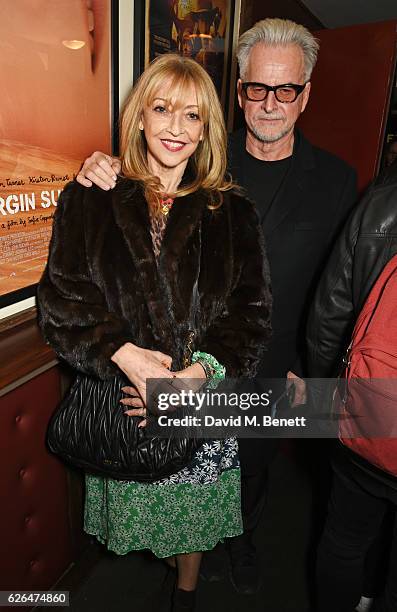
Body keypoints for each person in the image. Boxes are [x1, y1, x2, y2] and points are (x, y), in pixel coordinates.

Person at [75, 18, 357, 594]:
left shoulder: (336, 179)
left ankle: (245, 544)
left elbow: (340, 282)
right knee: (180, 470)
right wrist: (93, 172)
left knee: (249, 470)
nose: (271, 104)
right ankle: (191, 567)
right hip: (184, 356)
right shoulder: (200, 156)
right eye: (258, 87)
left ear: (307, 94)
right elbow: (139, 186)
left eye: (287, 90)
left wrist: (318, 364)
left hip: (275, 362)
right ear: (239, 90)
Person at [37, 53, 271, 612]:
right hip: (123, 403)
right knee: (145, 520)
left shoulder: (232, 210)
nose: (174, 127)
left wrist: (197, 375)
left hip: (198, 402)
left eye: (192, 116)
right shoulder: (90, 196)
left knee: (191, 526)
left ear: (207, 129)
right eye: (162, 109)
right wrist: (129, 360)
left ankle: (184, 596)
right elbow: (62, 302)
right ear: (140, 116)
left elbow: (251, 312)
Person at [306, 158, 397, 612]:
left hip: (367, 414)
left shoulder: (383, 198)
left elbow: (331, 312)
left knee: (344, 538)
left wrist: (328, 408)